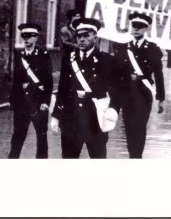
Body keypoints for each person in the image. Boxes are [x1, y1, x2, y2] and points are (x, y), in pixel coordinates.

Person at [50, 18, 120, 159]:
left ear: (95, 37)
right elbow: (62, 88)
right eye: (79, 36)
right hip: (71, 119)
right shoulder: (68, 59)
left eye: (86, 35)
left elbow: (116, 89)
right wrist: (56, 116)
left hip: (95, 119)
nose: (81, 39)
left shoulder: (106, 60)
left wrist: (114, 108)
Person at [114, 12, 165, 159]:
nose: (136, 29)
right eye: (134, 26)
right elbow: (117, 74)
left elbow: (159, 74)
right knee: (129, 127)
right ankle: (132, 155)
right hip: (127, 93)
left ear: (146, 29)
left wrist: (161, 97)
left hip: (144, 94)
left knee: (140, 127)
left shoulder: (153, 49)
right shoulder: (123, 48)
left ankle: (137, 156)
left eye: (140, 27)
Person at [8, 23, 53, 159]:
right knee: (18, 135)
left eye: (30, 37)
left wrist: (46, 101)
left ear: (36, 38)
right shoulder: (18, 55)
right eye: (24, 37)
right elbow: (16, 80)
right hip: (22, 102)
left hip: (38, 102)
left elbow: (48, 81)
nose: (27, 40)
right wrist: (12, 100)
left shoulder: (44, 55)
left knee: (41, 136)